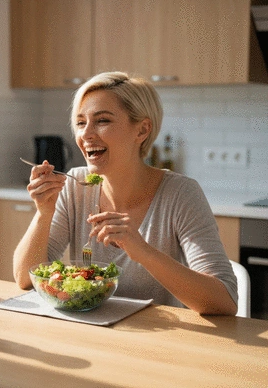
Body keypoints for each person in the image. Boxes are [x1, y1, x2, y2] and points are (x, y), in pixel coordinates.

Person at [13, 71, 238, 315]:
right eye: (80, 123)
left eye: (102, 121)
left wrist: (143, 251)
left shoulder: (180, 193)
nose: (86, 134)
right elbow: (25, 279)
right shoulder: (76, 185)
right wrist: (43, 213)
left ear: (141, 130)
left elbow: (224, 301)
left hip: (161, 341)